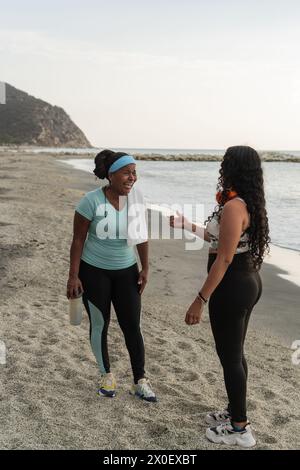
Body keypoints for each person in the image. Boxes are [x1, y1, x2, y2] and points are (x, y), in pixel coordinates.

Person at [170, 146, 270, 447]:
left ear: (233, 168)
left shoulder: (233, 206)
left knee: (230, 357)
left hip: (232, 285)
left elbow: (224, 258)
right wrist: (188, 226)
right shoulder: (246, 202)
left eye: (225, 163)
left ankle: (240, 428)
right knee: (235, 354)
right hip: (248, 281)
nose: (221, 168)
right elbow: (222, 239)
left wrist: (200, 299)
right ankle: (234, 412)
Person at [66, 149, 157, 402]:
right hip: (94, 271)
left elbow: (142, 236)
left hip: (127, 272)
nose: (132, 178)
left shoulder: (135, 200)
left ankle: (140, 380)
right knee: (100, 324)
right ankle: (106, 375)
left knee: (132, 326)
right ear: (111, 174)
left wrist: (145, 267)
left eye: (135, 173)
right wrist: (73, 276)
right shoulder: (90, 201)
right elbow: (78, 240)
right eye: (127, 173)